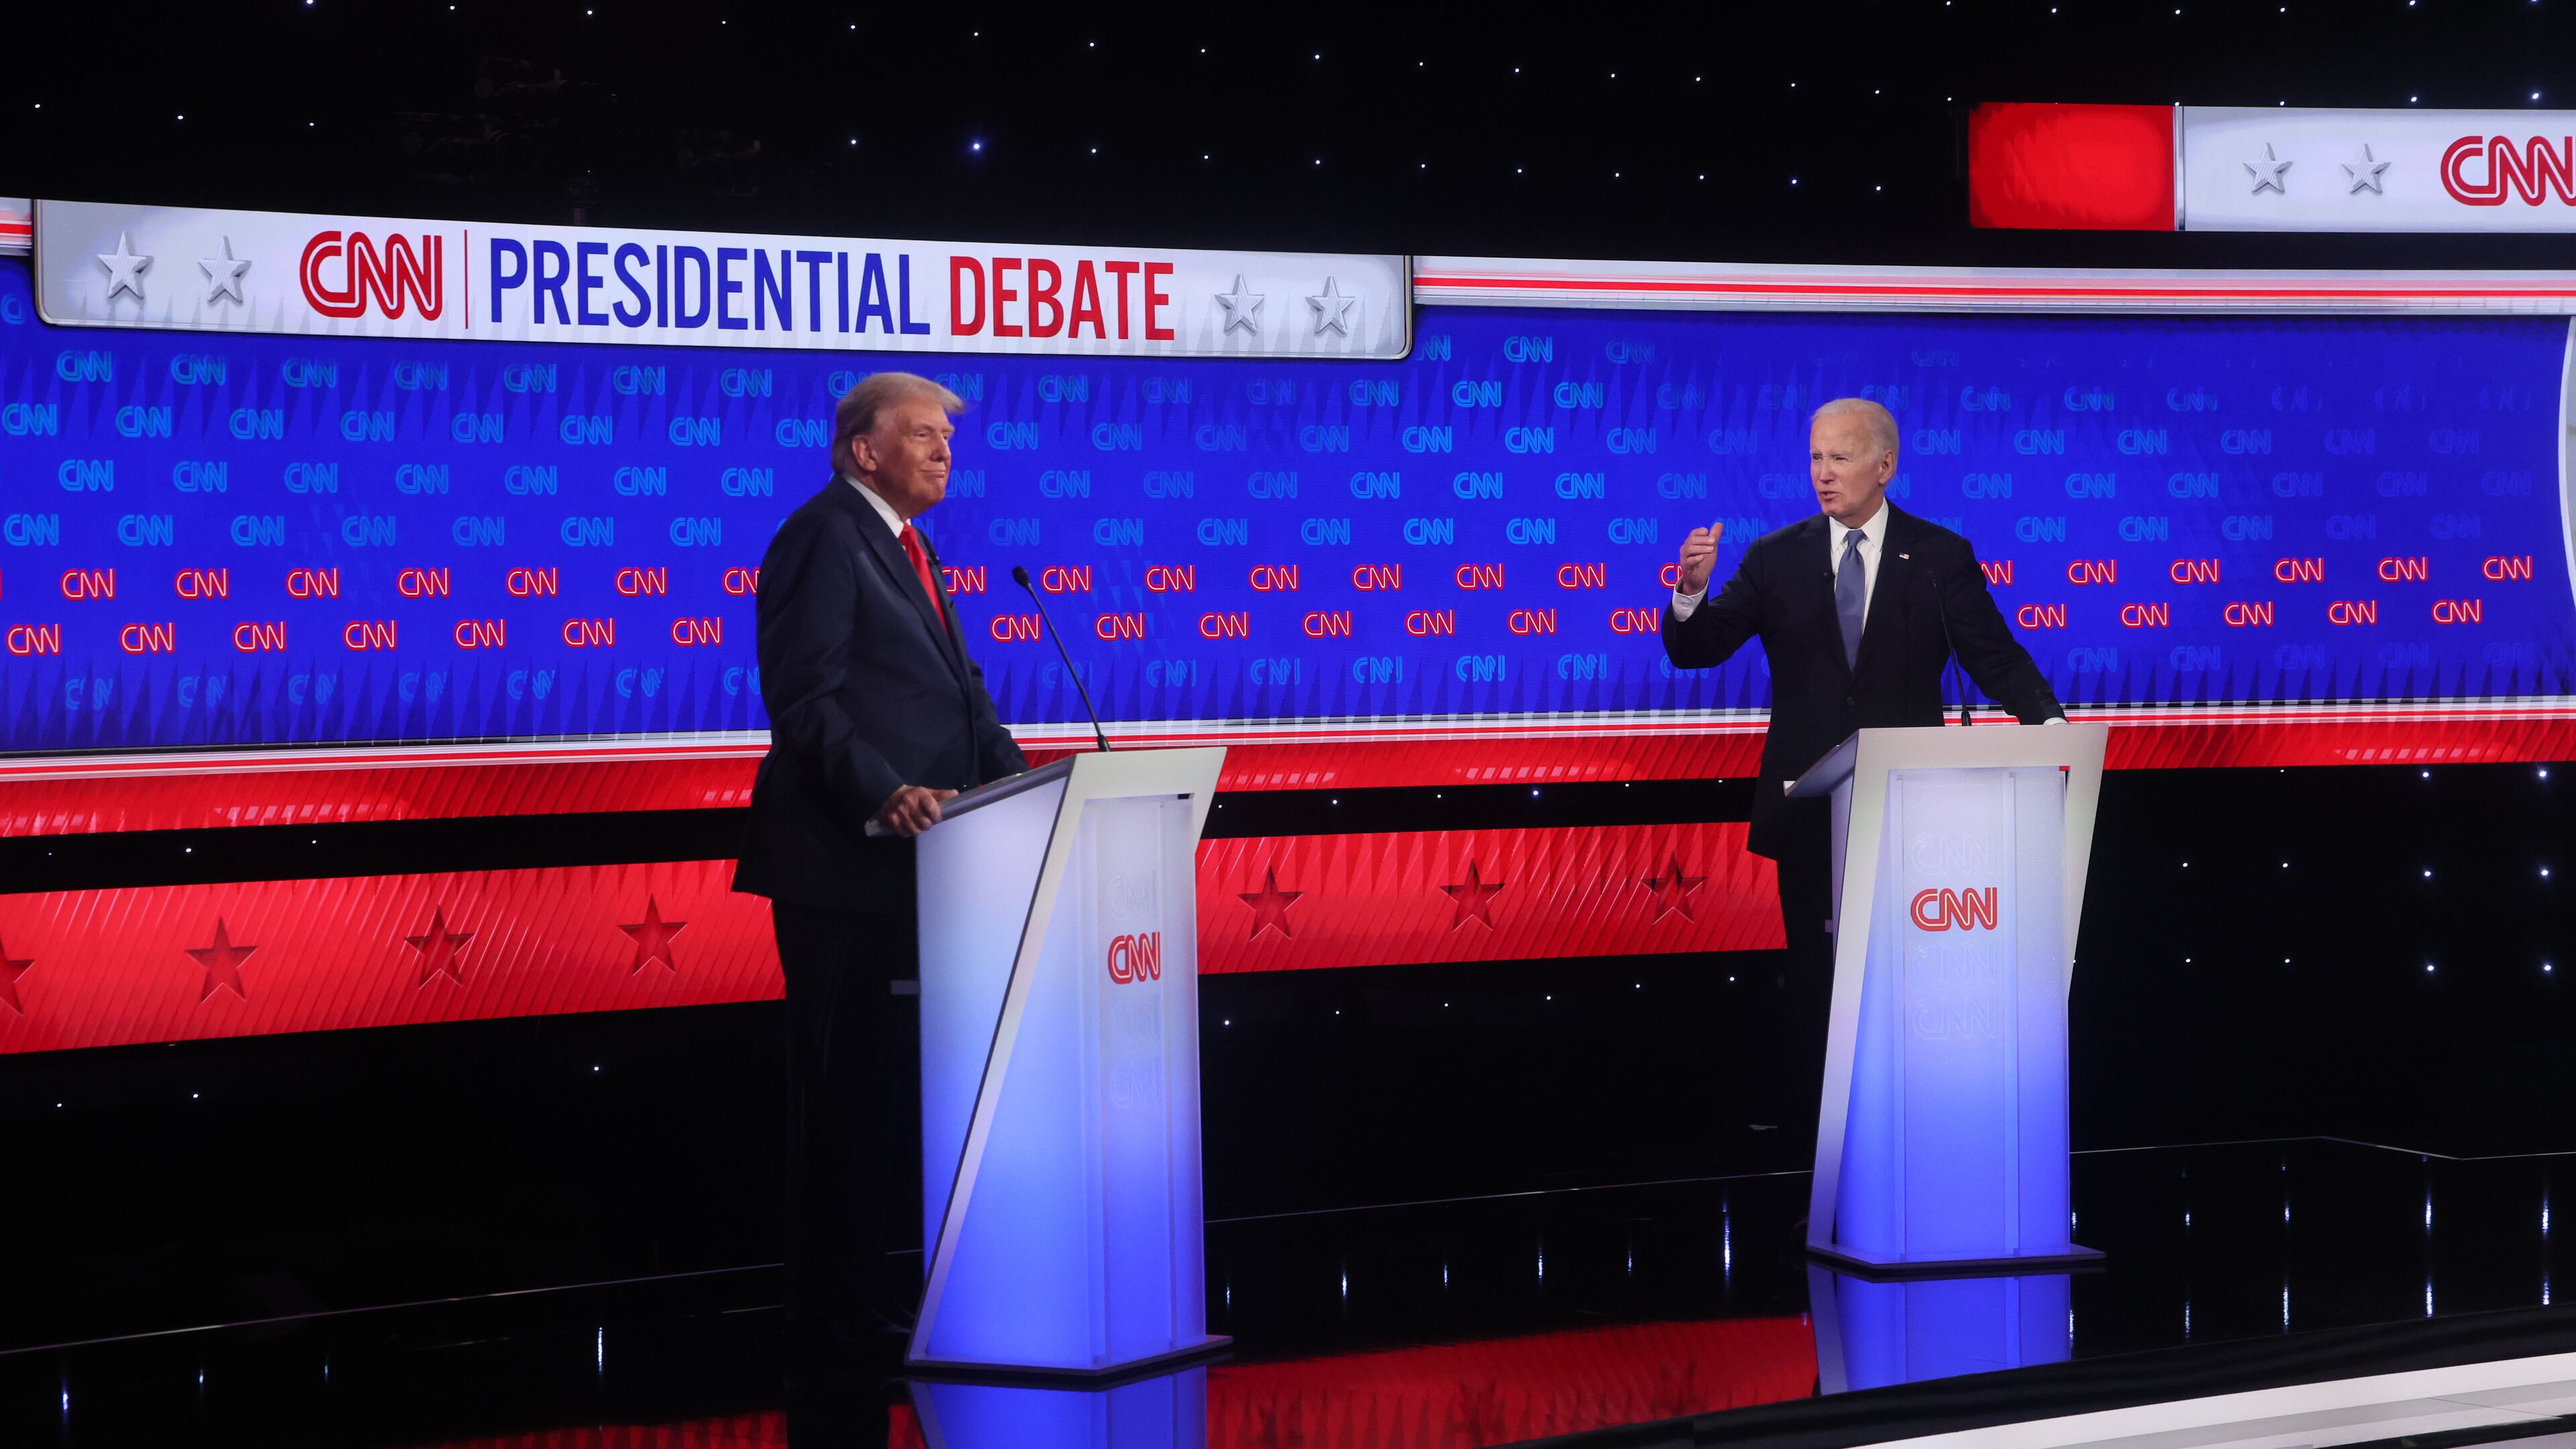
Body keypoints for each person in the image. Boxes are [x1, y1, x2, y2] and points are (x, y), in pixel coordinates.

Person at [1662, 397, 2065, 1146]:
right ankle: (1828, 1136)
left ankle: (1916, 1123)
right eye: (1816, 458)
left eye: (1840, 458)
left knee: (1908, 975)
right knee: (1821, 981)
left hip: (1915, 814)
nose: (1823, 474)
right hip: (1810, 812)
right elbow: (1699, 649)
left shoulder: (1938, 556)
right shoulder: (1775, 557)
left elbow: (1993, 656)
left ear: (1885, 465)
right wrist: (1690, 592)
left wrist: (2049, 726)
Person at [733, 372, 1027, 1373]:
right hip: (841, 869)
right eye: (924, 434)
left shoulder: (910, 546)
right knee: (841, 1099)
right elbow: (803, 700)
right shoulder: (824, 536)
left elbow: (964, 696)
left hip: (920, 869)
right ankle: (832, 1317)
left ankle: (876, 1299)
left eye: (949, 436)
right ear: (865, 450)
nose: (945, 451)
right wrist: (884, 788)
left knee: (890, 1099)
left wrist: (1031, 787)